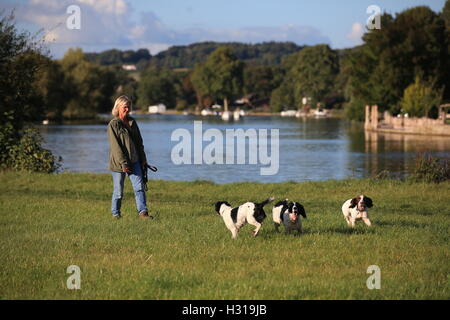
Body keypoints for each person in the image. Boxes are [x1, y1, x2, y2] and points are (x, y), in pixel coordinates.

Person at [107, 95, 152, 220]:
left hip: (135, 160)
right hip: (118, 164)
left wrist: (143, 159)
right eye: (125, 107)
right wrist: (124, 164)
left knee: (139, 187)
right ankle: (116, 214)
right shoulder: (113, 124)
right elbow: (116, 147)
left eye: (129, 107)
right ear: (118, 107)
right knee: (118, 191)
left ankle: (143, 213)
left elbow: (139, 143)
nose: (127, 109)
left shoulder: (132, 122)